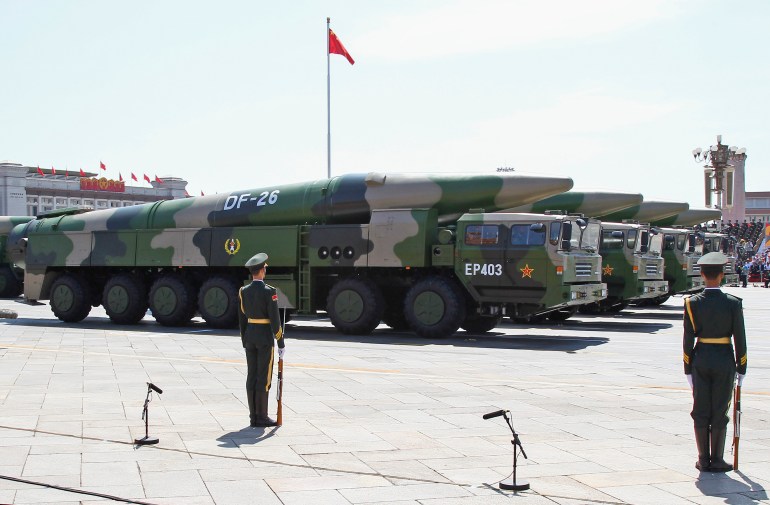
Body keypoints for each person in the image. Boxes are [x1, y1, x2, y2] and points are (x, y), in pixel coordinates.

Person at [683, 252, 747, 472]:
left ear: (701, 275)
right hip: (724, 360)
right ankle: (717, 459)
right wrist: (742, 367)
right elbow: (740, 337)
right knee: (720, 409)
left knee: (700, 409)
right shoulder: (733, 303)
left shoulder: (692, 303)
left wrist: (687, 368)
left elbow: (687, 339)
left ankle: (703, 459)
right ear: (722, 275)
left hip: (700, 359)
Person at [239, 253, 286, 427]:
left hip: (250, 337)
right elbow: (275, 320)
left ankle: (253, 417)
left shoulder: (243, 291)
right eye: (265, 267)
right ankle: (262, 417)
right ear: (261, 270)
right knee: (263, 378)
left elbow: (242, 319)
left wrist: (244, 340)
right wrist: (280, 342)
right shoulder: (269, 292)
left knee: (251, 375)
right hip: (265, 338)